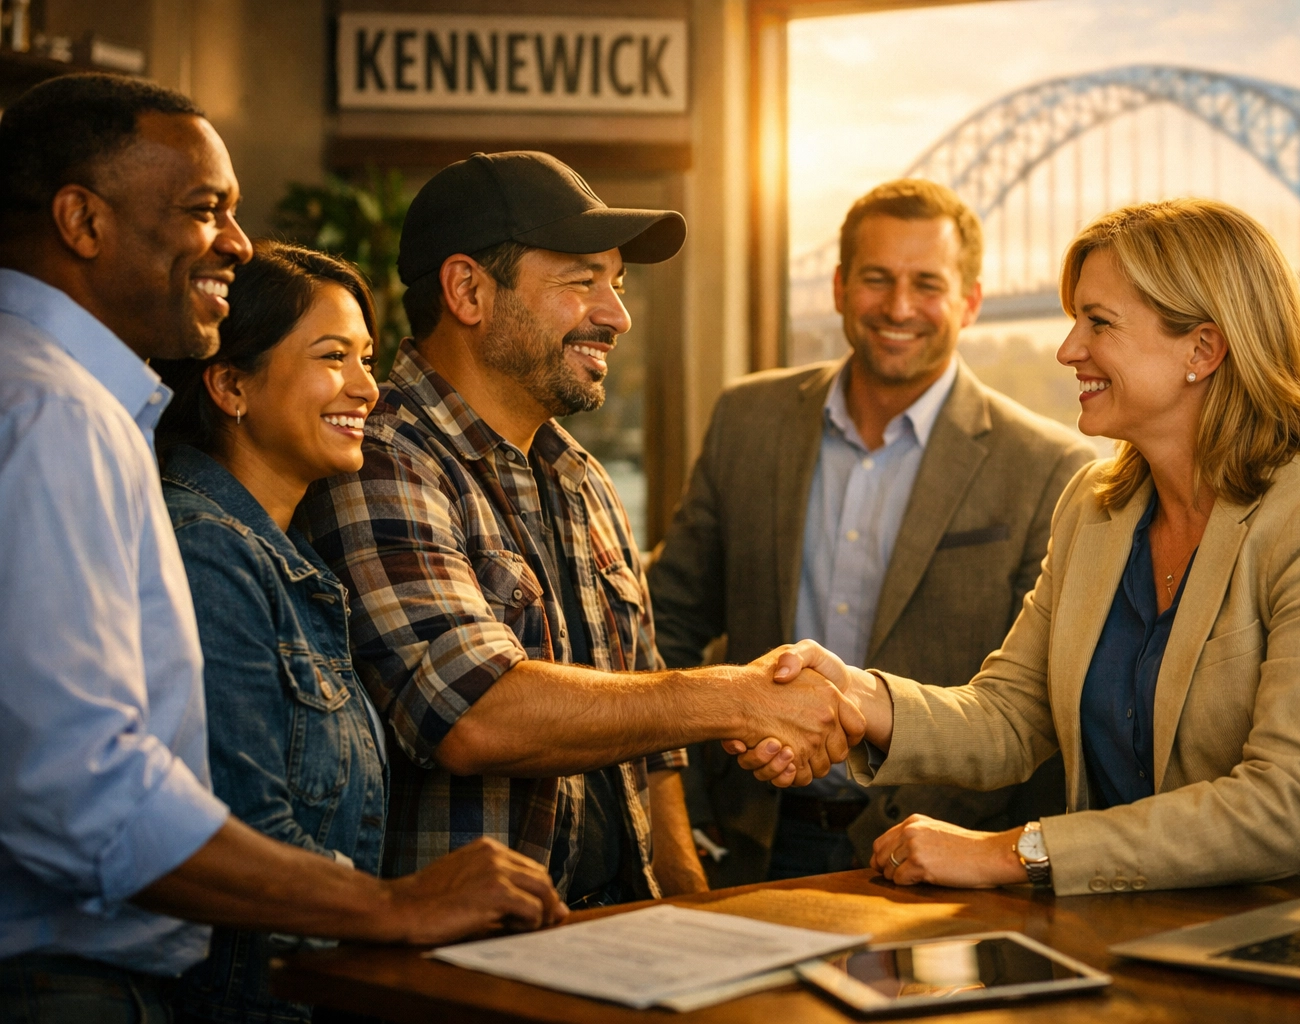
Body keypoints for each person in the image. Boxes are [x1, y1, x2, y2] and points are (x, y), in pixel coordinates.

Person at [0, 75, 561, 1023]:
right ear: (82, 220)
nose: (236, 241)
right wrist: (389, 905)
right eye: (204, 209)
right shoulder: (57, 412)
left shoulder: (70, 405)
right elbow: (80, 791)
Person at [739, 198, 1300, 896]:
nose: (1068, 349)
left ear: (1202, 350)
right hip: (1135, 924)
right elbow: (1010, 716)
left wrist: (1014, 853)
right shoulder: (1096, 507)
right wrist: (854, 693)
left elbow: (1292, 805)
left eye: (1099, 322)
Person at [298, 151, 865, 910]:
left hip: (621, 933)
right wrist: (737, 697)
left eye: (617, 284)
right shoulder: (379, 460)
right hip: (477, 957)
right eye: (581, 282)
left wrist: (685, 909)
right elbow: (473, 713)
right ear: (467, 290)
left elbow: (651, 751)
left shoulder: (582, 478)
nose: (617, 315)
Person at [650, 179, 1094, 883]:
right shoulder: (747, 420)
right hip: (748, 840)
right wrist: (683, 815)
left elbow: (1039, 707)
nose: (898, 307)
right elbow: (666, 622)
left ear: (970, 301)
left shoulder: (1047, 466)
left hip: (937, 858)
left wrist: (983, 854)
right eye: (877, 279)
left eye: (927, 284)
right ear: (838, 287)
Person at [150, 241, 417, 1023]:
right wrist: (408, 907)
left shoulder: (287, 555)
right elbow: (239, 832)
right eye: (333, 356)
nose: (366, 387)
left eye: (367, 358)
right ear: (231, 385)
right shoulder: (208, 549)